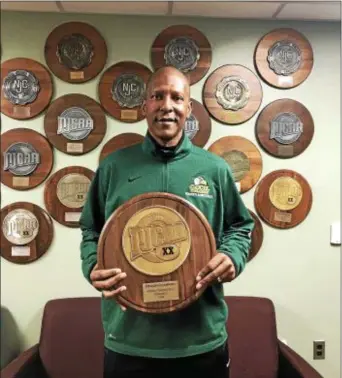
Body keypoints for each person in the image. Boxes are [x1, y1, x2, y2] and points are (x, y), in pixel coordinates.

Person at [79, 65, 254, 378]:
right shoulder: (113, 167)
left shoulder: (214, 169)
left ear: (188, 107)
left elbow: (240, 227)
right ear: (145, 105)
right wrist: (92, 265)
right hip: (129, 342)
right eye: (157, 96)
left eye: (176, 97)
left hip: (201, 341)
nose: (167, 105)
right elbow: (91, 229)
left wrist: (232, 256)